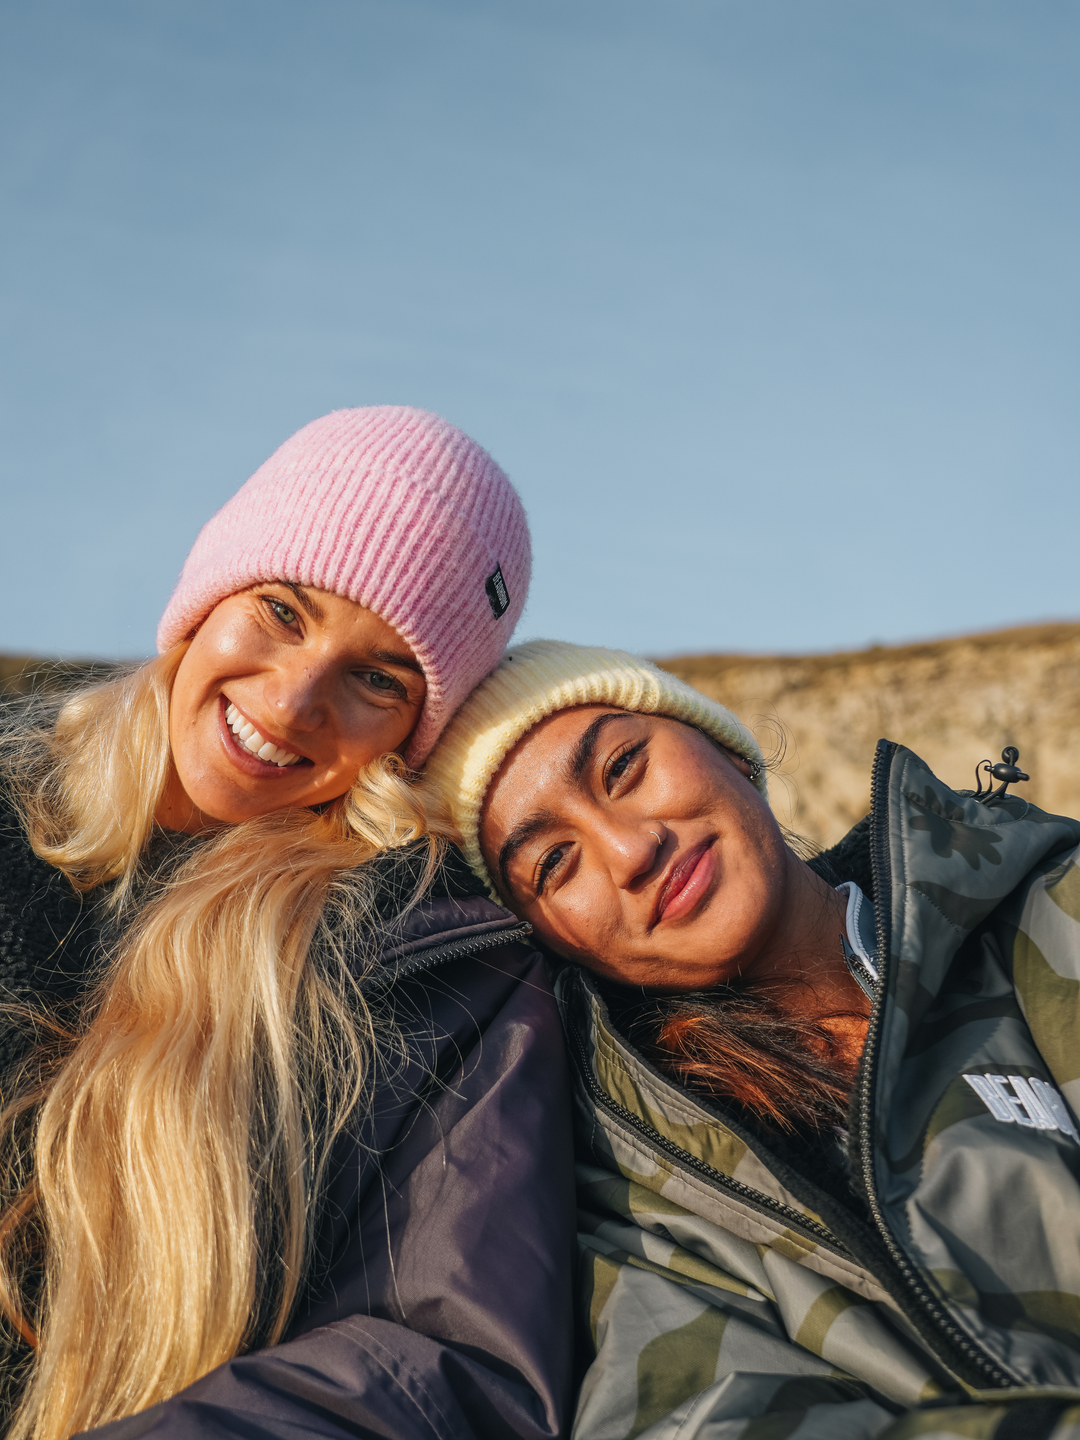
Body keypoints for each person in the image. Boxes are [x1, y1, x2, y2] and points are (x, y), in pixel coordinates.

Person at [0, 412, 576, 1440]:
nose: (296, 698)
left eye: (378, 678)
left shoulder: (418, 954)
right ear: (209, 592)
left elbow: (434, 1357)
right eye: (281, 611)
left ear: (414, 735)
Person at [426, 638, 1080, 1440]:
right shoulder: (638, 1203)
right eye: (555, 863)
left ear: (726, 747)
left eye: (623, 767)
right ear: (554, 942)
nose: (631, 849)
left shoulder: (1050, 903)